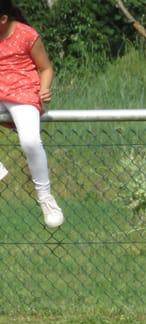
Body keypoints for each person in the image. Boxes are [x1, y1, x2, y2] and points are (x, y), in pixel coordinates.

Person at [0, 0, 63, 228]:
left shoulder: (27, 35)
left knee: (30, 141)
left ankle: (45, 197)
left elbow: (45, 68)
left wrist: (45, 88)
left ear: (3, 19)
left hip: (23, 91)